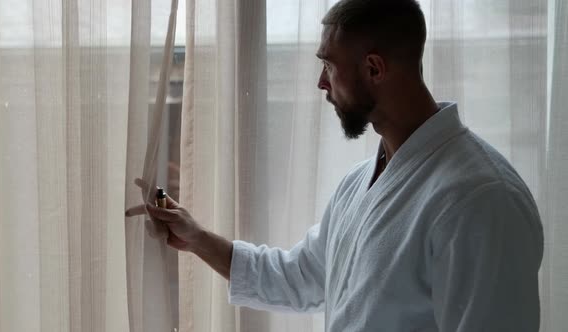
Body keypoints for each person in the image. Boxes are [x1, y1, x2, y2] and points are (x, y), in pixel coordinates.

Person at [126, 0, 544, 330]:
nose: (320, 83)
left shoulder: (480, 200)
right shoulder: (360, 183)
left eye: (328, 66)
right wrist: (196, 236)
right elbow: (299, 278)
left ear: (374, 68)